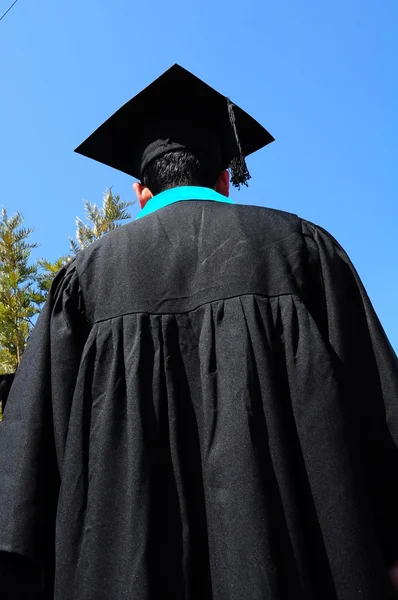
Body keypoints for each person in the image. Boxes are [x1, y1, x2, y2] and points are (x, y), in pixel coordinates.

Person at [0, 64, 397, 600]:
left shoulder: (83, 281)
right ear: (225, 179)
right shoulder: (303, 250)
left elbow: (30, 461)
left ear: (141, 191)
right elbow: (379, 415)